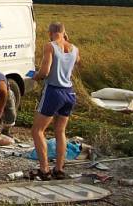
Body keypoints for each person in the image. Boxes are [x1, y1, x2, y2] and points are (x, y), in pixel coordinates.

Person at [30, 21, 80, 180]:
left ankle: (44, 170)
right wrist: (67, 40)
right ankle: (59, 168)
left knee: (37, 131)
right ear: (64, 32)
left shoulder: (50, 46)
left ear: (50, 33)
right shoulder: (74, 49)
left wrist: (35, 76)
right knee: (60, 131)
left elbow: (45, 71)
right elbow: (77, 61)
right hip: (69, 93)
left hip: (53, 91)